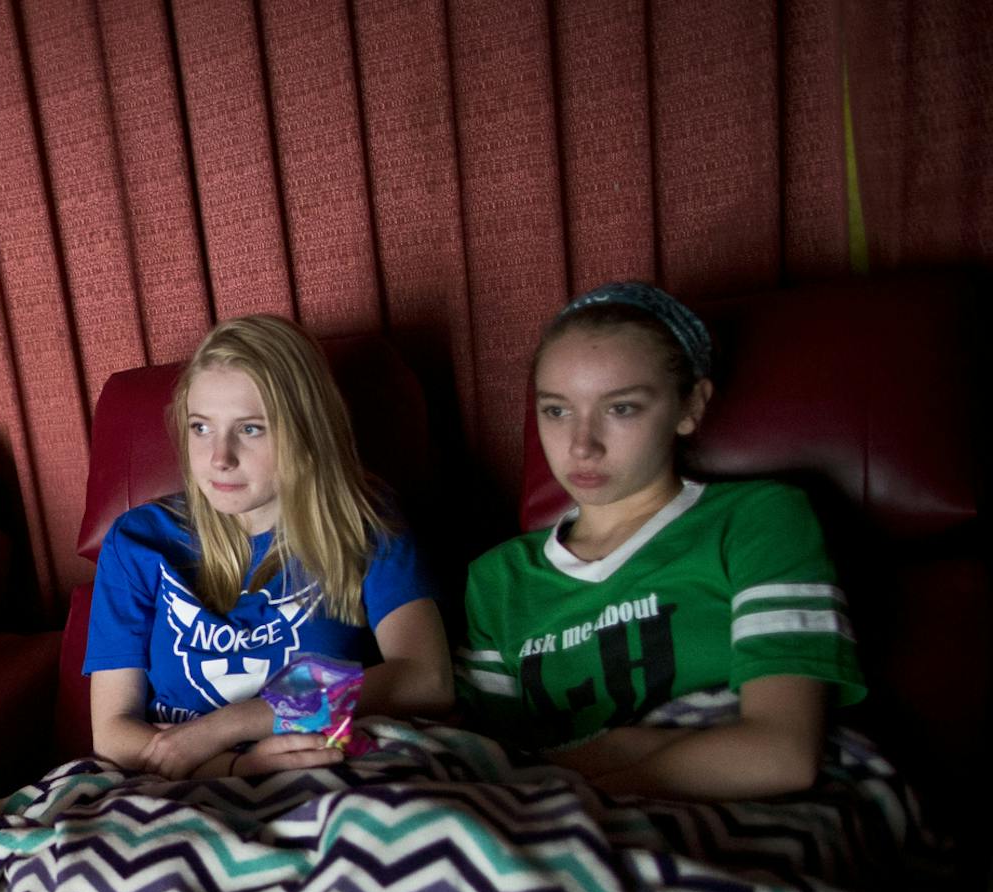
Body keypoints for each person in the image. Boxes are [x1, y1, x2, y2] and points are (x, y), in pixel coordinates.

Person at [456, 281, 863, 799]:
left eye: (621, 408)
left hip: (740, 809)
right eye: (556, 410)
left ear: (690, 406)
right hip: (560, 821)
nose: (582, 445)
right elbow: (493, 768)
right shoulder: (497, 579)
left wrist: (594, 783)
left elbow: (783, 754)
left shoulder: (758, 519)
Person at [83, 314, 453, 780]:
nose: (220, 457)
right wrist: (233, 766)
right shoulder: (137, 541)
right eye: (201, 428)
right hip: (187, 787)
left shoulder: (362, 521)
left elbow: (427, 678)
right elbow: (113, 733)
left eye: (251, 429)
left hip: (325, 773)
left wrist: (231, 724)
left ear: (305, 430)